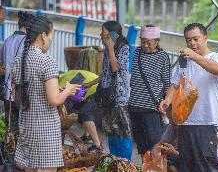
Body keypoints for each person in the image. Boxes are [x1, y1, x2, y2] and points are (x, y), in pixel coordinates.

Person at [11, 15, 80, 172]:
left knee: (31, 168)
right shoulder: (47, 61)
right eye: (52, 36)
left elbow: (17, 95)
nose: (51, 40)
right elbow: (55, 100)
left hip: (26, 125)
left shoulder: (19, 60)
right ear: (43, 36)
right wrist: (68, 90)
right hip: (45, 128)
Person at [160, 23, 218, 172]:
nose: (192, 43)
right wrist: (167, 100)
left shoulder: (217, 58)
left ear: (205, 38)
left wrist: (195, 56)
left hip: (206, 123)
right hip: (184, 123)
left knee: (205, 166)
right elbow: (175, 83)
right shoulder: (185, 61)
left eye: (195, 39)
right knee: (186, 165)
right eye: (188, 40)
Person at [85, 21, 132, 159]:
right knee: (110, 130)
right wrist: (90, 84)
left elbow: (115, 68)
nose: (101, 34)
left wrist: (111, 49)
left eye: (103, 32)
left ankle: (125, 162)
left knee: (122, 131)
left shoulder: (124, 48)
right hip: (106, 96)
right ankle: (114, 160)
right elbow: (105, 74)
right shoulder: (106, 49)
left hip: (119, 97)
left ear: (112, 34)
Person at [128, 25, 170, 158]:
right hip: (134, 106)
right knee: (141, 146)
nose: (145, 45)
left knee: (155, 146)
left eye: (149, 42)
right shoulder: (137, 52)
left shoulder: (163, 56)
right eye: (143, 41)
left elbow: (167, 83)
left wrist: (166, 104)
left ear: (157, 41)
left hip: (152, 108)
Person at [0, 11, 33, 171]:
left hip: (7, 94)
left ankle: (9, 164)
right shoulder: (28, 42)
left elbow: (4, 66)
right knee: (24, 130)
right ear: (28, 27)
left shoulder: (7, 41)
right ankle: (23, 164)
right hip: (22, 94)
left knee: (10, 129)